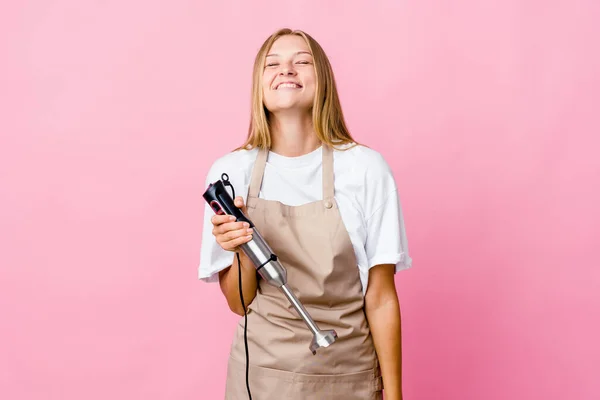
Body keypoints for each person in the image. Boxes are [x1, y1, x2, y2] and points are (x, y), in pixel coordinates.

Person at [198, 28, 412, 400]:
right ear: (259, 85)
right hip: (263, 379)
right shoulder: (232, 175)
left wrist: (393, 396)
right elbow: (239, 303)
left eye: (302, 61)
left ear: (323, 79)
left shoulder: (365, 169)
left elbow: (381, 297)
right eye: (273, 63)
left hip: (350, 376)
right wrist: (242, 249)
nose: (287, 70)